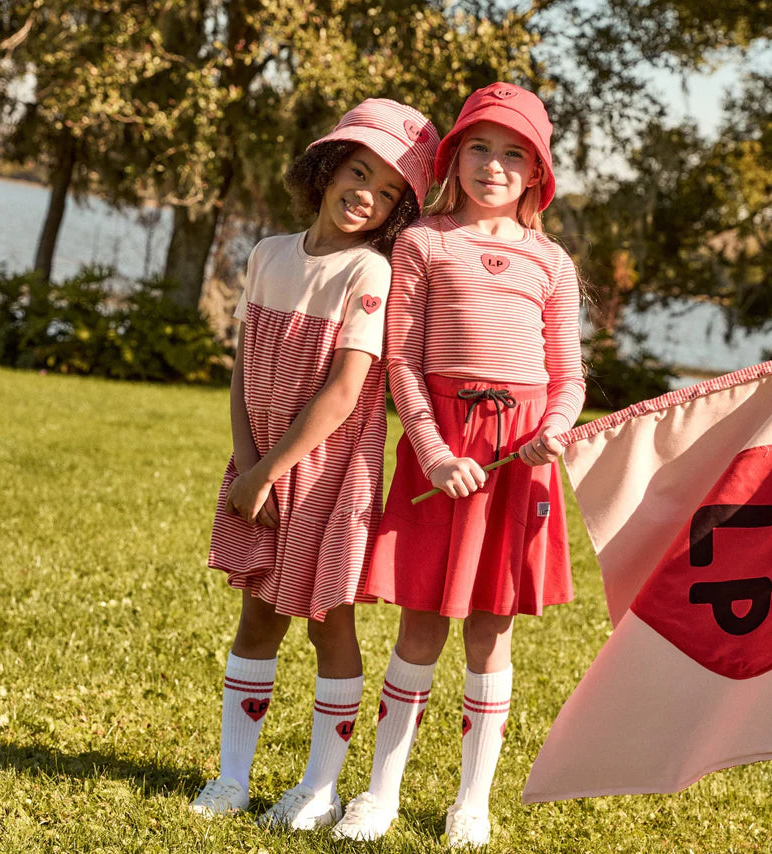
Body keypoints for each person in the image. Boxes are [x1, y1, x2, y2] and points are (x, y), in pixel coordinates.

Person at [331, 82, 585, 848]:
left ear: (537, 173)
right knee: (421, 624)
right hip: (440, 452)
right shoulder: (424, 243)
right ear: (453, 156)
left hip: (520, 460)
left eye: (514, 154)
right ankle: (379, 794)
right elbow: (402, 360)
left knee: (489, 631)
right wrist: (434, 453)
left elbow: (568, 375)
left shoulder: (552, 261)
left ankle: (472, 803)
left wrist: (556, 429)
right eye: (479, 147)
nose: (493, 166)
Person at [190, 99, 439, 831]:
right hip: (260, 467)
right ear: (327, 170)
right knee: (257, 616)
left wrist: (269, 470)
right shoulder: (268, 254)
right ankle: (231, 779)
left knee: (328, 621)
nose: (366, 194)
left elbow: (345, 391)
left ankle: (319, 789)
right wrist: (248, 467)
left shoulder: (369, 270)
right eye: (358, 172)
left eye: (388, 191)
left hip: (329, 475)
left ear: (397, 210)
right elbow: (243, 371)